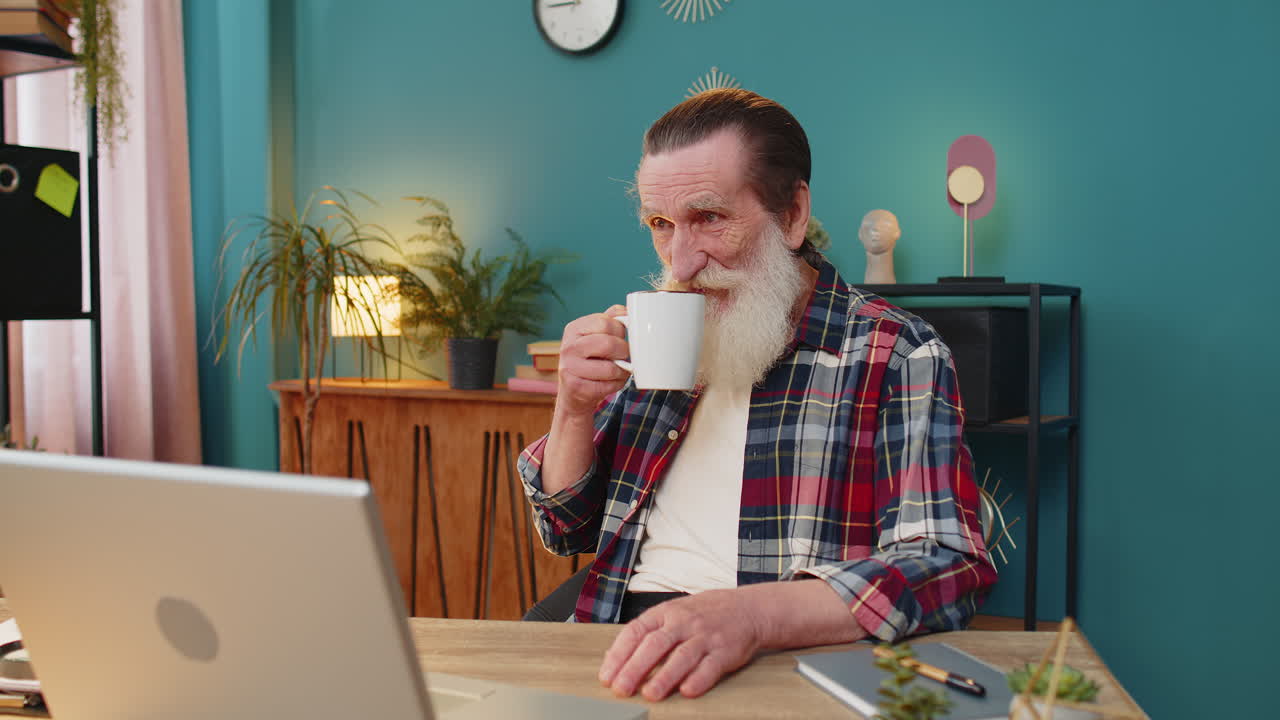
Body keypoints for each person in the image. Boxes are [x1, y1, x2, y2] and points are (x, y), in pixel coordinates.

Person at [517, 88, 996, 703]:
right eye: (662, 226)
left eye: (710, 218)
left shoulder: (894, 350)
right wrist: (573, 409)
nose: (681, 262)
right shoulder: (662, 328)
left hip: (779, 656)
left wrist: (751, 616)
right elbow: (566, 527)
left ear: (793, 213)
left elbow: (945, 564)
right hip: (614, 631)